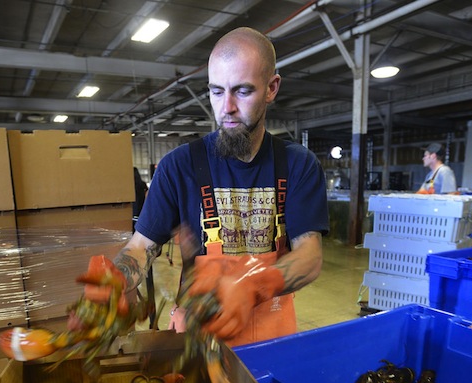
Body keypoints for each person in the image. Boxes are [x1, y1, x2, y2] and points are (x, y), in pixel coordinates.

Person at [92, 27, 329, 347]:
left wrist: (250, 285)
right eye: (217, 91)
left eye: (242, 91)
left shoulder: (298, 165)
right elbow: (140, 247)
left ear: (272, 88)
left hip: (274, 343)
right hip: (196, 345)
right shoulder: (179, 167)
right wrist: (117, 280)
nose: (226, 107)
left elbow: (309, 257)